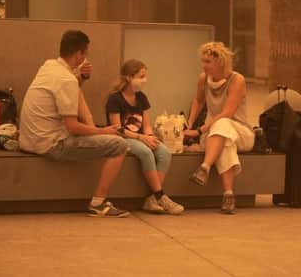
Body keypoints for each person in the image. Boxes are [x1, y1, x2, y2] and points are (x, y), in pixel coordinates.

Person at [19, 30, 130, 218]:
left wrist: (81, 78)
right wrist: (102, 131)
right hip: (51, 144)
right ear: (79, 54)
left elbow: (70, 91)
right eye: (85, 53)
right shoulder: (66, 79)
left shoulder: (49, 66)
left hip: (29, 139)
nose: (85, 57)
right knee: (119, 145)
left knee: (77, 91)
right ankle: (98, 203)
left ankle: (98, 131)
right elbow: (72, 127)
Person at [183, 42, 255, 214]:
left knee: (222, 125)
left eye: (208, 62)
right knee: (225, 143)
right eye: (203, 61)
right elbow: (198, 101)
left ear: (220, 62)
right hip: (216, 134)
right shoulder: (203, 79)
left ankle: (205, 167)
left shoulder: (237, 80)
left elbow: (227, 113)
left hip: (241, 132)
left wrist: (200, 130)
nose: (204, 66)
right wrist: (189, 124)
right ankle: (228, 195)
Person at [106, 59, 184, 215]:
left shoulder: (141, 97)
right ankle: (161, 196)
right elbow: (117, 128)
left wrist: (149, 136)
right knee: (146, 152)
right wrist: (141, 138)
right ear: (129, 77)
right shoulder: (115, 99)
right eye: (141, 76)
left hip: (141, 136)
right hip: (123, 138)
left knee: (164, 152)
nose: (144, 80)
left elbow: (146, 124)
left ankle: (151, 199)